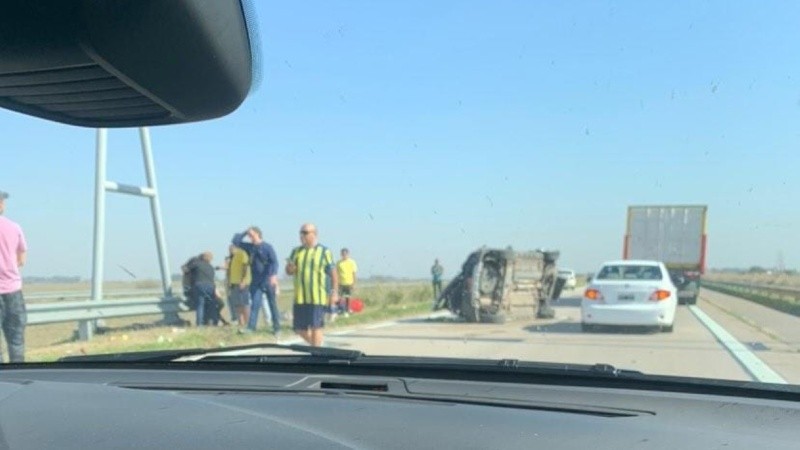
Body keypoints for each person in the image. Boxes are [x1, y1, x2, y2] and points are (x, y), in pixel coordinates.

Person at [286, 223, 338, 347]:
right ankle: (319, 348)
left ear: (314, 234)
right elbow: (289, 271)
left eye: (305, 232)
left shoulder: (324, 252)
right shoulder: (296, 251)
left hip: (317, 297)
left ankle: (316, 353)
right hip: (300, 297)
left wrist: (334, 293)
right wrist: (290, 268)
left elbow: (334, 275)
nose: (302, 235)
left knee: (316, 327)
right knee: (299, 329)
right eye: (301, 233)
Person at [232, 227, 280, 334]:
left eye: (252, 235)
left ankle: (277, 327)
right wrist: (245, 232)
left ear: (258, 234)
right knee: (255, 304)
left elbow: (274, 262)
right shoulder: (250, 247)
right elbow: (235, 241)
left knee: (272, 304)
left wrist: (273, 275)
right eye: (249, 235)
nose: (250, 237)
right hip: (255, 281)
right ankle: (251, 328)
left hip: (267, 280)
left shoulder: (267, 247)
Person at [0, 191, 27, 363]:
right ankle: (17, 376)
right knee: (16, 341)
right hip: (13, 291)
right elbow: (22, 259)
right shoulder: (14, 227)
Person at [182, 251, 219, 326]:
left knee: (200, 305)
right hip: (211, 286)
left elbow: (185, 269)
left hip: (200, 285)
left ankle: (200, 324)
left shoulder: (196, 264)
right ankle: (214, 322)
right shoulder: (211, 267)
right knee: (211, 305)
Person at [225, 244, 251, 328]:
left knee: (244, 303)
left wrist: (243, 280)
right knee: (237, 304)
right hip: (234, 282)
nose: (230, 251)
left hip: (242, 283)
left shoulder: (242, 253)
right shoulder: (232, 258)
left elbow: (245, 266)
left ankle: (248, 323)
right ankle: (241, 322)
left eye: (231, 249)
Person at [335, 248, 358, 317]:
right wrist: (336, 282)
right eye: (342, 254)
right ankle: (340, 309)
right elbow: (336, 272)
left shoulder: (352, 262)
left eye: (345, 254)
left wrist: (354, 283)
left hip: (349, 282)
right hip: (341, 283)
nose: (344, 255)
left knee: (348, 297)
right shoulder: (338, 263)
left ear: (348, 254)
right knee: (340, 297)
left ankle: (347, 310)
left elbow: (354, 273)